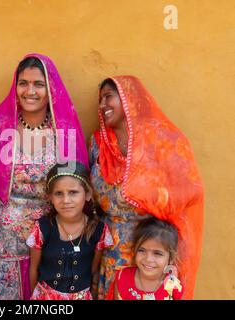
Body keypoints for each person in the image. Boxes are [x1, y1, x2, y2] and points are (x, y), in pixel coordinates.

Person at [0, 53, 89, 299]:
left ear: (50, 89)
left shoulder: (64, 132)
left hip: (52, 240)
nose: (29, 91)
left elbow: (78, 190)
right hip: (3, 242)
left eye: (38, 84)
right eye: (23, 83)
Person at [90, 76, 203, 299]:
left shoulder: (159, 139)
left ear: (128, 98)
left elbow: (190, 189)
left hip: (150, 250)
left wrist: (153, 198)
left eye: (108, 97)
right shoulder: (98, 142)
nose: (103, 105)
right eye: (100, 99)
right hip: (110, 248)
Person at [27, 162, 113, 300]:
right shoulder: (43, 228)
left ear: (88, 194)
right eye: (58, 193)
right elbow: (33, 270)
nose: (66, 200)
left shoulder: (98, 230)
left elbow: (93, 270)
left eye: (73, 192)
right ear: (50, 197)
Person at [107, 217, 183, 300]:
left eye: (157, 253)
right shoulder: (122, 277)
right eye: (141, 250)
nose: (148, 259)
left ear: (171, 258)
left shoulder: (173, 286)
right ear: (135, 250)